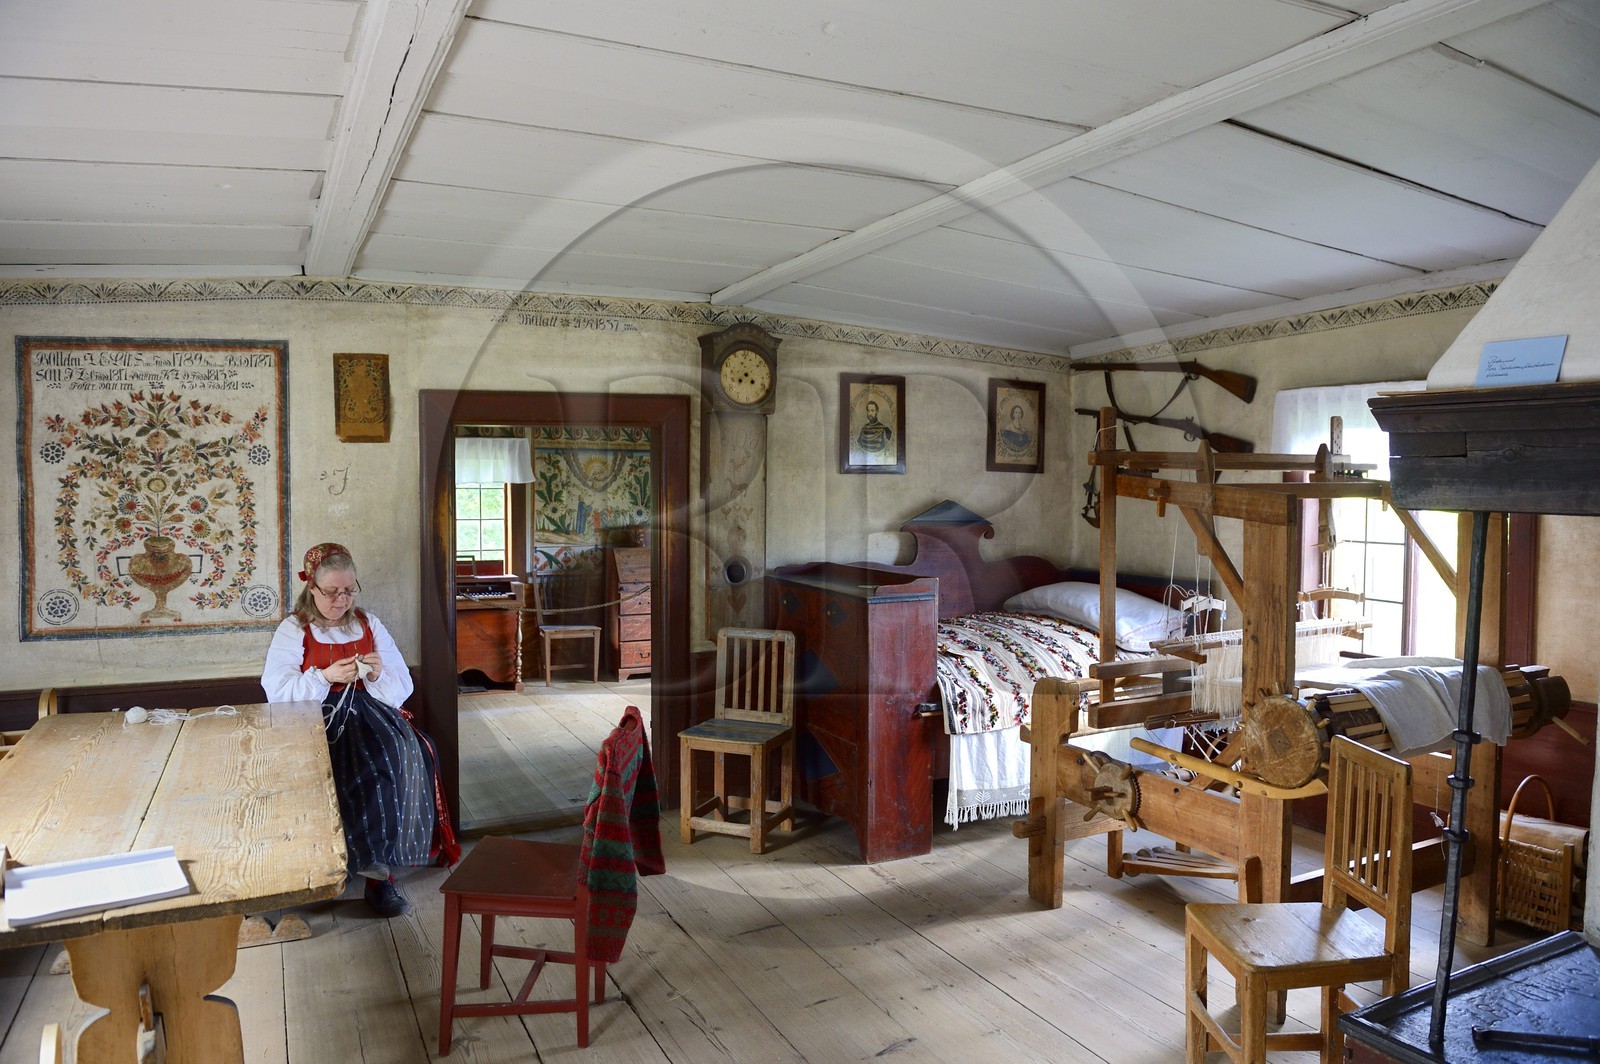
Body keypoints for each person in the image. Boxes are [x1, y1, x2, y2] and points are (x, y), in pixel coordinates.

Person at [261, 542, 457, 916]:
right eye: (332, 592)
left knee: (400, 753)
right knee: (332, 765)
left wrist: (380, 673)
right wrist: (324, 676)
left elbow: (401, 684)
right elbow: (277, 690)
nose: (341, 599)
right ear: (312, 588)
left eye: (349, 590)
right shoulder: (294, 629)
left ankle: (379, 877)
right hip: (314, 715)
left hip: (370, 709)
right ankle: (321, 871)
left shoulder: (369, 623)